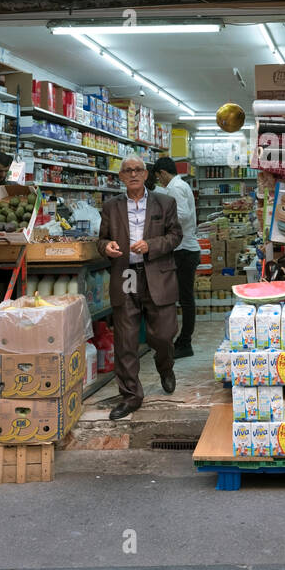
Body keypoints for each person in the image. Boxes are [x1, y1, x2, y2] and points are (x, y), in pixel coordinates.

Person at [97, 157, 183, 420]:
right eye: (127, 171)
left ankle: (165, 367)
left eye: (138, 170)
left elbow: (175, 236)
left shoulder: (164, 202)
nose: (133, 174)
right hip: (126, 274)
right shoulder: (111, 207)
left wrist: (151, 245)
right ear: (121, 177)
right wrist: (106, 247)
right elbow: (101, 240)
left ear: (146, 174)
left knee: (164, 334)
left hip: (156, 274)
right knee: (126, 338)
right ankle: (131, 395)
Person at [152, 156, 200, 359]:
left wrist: (161, 222)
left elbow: (184, 215)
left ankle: (185, 342)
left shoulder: (175, 188)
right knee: (184, 298)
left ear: (162, 173)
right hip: (184, 249)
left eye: (158, 178)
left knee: (186, 299)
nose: (159, 182)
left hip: (184, 250)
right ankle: (181, 341)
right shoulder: (178, 186)